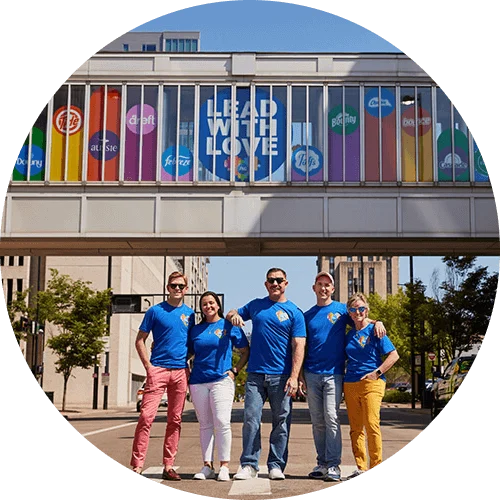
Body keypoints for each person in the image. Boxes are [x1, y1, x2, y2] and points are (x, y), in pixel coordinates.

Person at [299, 272, 386, 482]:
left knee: (331, 417)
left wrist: (378, 321)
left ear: (333, 289)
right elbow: (301, 346)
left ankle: (334, 465)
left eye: (327, 285)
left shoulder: (340, 310)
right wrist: (300, 375)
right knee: (318, 421)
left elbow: (360, 317)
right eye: (320, 284)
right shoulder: (307, 315)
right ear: (314, 288)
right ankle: (321, 463)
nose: (323, 288)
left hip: (334, 374)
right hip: (311, 373)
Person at [226, 268, 306, 481]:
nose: (275, 283)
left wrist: (294, 376)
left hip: (281, 376)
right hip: (255, 375)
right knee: (251, 419)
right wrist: (234, 315)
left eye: (279, 280)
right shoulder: (255, 305)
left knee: (282, 421)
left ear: (286, 283)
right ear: (266, 284)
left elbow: (299, 345)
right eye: (271, 280)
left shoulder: (294, 312)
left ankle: (276, 465)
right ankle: (249, 464)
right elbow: (232, 313)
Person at [130, 271, 195, 481]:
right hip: (157, 369)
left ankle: (168, 465)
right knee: (146, 417)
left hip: (180, 372)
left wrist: (186, 358)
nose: (177, 289)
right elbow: (140, 340)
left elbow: (194, 344)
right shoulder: (155, 311)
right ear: (168, 288)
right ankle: (137, 465)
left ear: (186, 290)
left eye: (181, 286)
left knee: (175, 420)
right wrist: (148, 366)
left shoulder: (190, 314)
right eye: (173, 285)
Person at [188, 291, 250, 482]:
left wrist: (235, 370)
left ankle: (224, 465)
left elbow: (245, 351)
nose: (208, 306)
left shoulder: (228, 325)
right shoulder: (195, 330)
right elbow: (187, 354)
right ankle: (207, 466)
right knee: (205, 425)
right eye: (205, 304)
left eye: (212, 303)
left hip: (221, 381)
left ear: (218, 305)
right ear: (201, 308)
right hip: (198, 382)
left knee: (222, 422)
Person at [343, 292, 400, 479]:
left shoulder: (376, 330)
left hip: (372, 383)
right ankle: (361, 467)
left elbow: (393, 355)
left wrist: (377, 373)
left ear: (366, 310)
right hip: (350, 383)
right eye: (353, 309)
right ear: (349, 313)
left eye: (361, 308)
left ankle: (375, 465)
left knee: (371, 424)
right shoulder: (349, 335)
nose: (357, 312)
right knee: (355, 428)